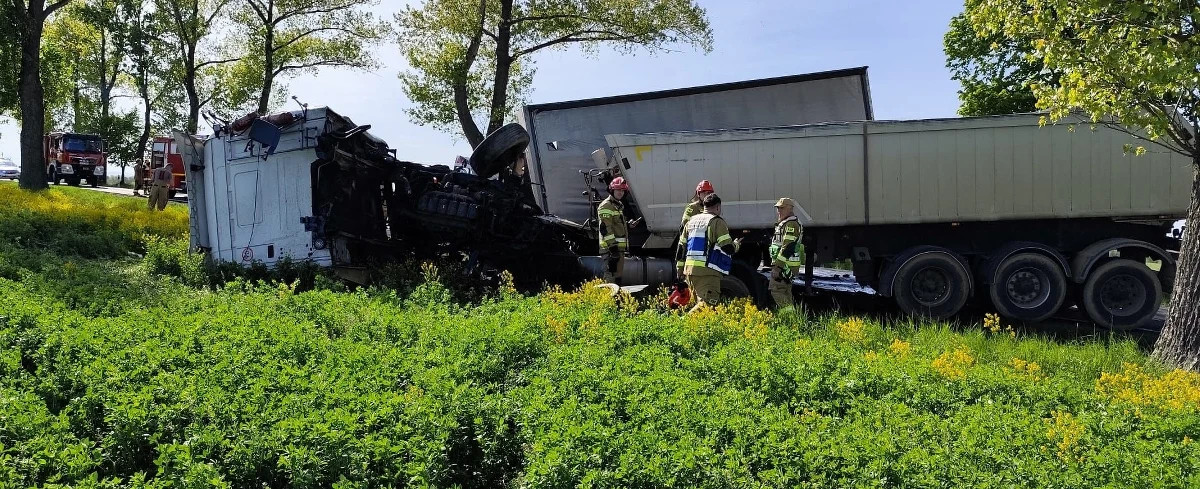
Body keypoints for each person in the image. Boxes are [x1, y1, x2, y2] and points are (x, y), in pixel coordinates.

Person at [676, 193, 741, 311]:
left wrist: (680, 269)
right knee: (707, 305)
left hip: (689, 272)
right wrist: (736, 245)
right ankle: (682, 326)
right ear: (718, 207)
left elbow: (681, 248)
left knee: (700, 306)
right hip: (707, 272)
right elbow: (727, 247)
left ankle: (692, 328)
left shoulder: (691, 221)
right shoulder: (716, 221)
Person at [597, 176, 637, 283]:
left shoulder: (617, 206)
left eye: (623, 190)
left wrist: (628, 225)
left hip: (617, 250)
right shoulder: (606, 206)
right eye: (618, 190)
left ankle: (616, 299)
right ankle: (609, 299)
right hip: (610, 250)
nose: (621, 192)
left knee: (617, 277)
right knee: (610, 277)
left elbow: (615, 225)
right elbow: (605, 228)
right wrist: (613, 247)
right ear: (612, 190)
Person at [768, 197, 804, 309]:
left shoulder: (791, 224)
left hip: (785, 266)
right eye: (778, 208)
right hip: (786, 265)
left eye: (782, 208)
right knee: (785, 291)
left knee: (776, 289)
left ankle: (788, 317)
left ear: (790, 209)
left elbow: (787, 247)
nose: (779, 211)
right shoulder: (786, 223)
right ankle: (791, 319)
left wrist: (777, 267)